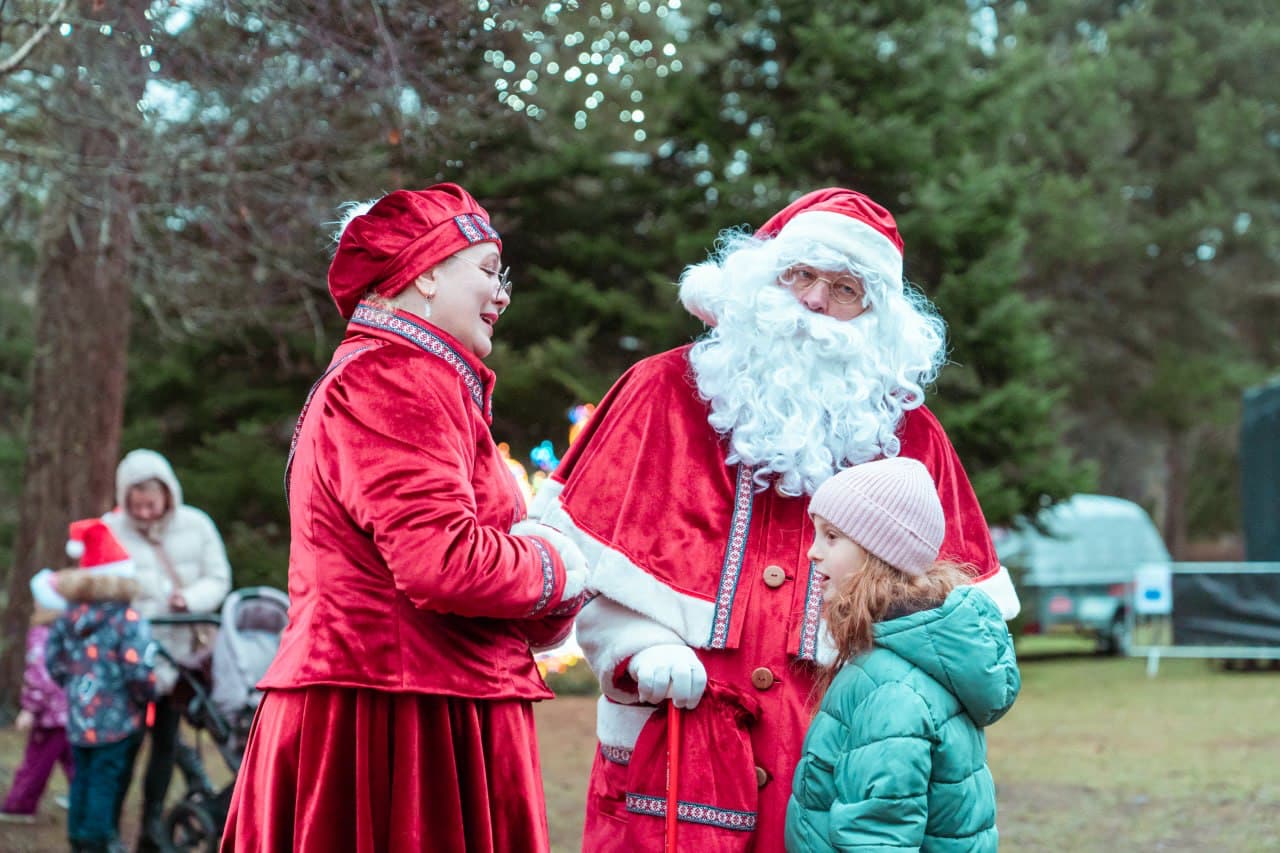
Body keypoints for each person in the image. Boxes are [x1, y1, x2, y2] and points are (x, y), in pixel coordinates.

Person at [529, 187, 1021, 849]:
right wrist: (641, 645)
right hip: (673, 756)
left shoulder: (914, 441)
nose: (815, 301)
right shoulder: (659, 394)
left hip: (831, 764)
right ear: (761, 280)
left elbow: (948, 623)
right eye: (800, 275)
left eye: (846, 288)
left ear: (877, 319)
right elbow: (578, 565)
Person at [221, 183, 589, 852]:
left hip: (423, 706)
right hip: (392, 720)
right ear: (423, 273)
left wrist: (551, 584)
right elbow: (441, 560)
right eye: (486, 271)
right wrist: (553, 562)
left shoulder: (424, 376)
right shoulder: (396, 374)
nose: (502, 294)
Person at [785, 457, 1020, 851]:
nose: (812, 552)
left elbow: (879, 833)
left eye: (831, 536)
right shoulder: (904, 656)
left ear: (879, 553)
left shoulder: (891, 685)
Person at [102, 448, 229, 850]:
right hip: (130, 661)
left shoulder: (196, 526)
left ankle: (151, 826)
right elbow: (98, 582)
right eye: (135, 505)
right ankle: (108, 826)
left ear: (167, 496)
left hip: (180, 660)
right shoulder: (110, 529)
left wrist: (189, 599)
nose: (143, 513)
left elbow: (218, 577)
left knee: (166, 745)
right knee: (124, 746)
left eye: (151, 504)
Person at [43, 518, 157, 853]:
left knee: (82, 776)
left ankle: (78, 835)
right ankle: (95, 839)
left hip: (80, 716)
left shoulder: (70, 615)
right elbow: (138, 667)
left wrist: (72, 686)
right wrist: (146, 695)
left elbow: (54, 660)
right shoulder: (128, 619)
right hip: (117, 718)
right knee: (105, 779)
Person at [0, 602, 74, 824]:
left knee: (36, 763)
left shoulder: (41, 636)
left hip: (50, 716)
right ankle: (86, 802)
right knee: (75, 762)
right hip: (70, 713)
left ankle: (19, 806)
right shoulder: (70, 633)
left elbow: (42, 676)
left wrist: (31, 708)